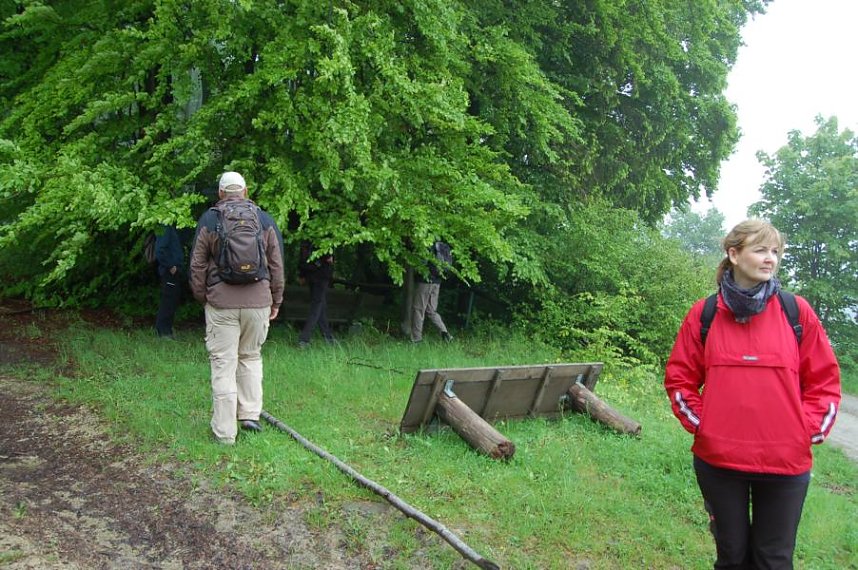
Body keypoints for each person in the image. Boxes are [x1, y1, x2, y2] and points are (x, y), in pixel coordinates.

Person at [664, 219, 841, 569]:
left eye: (775, 252)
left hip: (785, 464)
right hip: (719, 462)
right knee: (731, 557)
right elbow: (680, 380)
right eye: (760, 250)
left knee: (773, 560)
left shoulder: (796, 312)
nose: (770, 259)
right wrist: (707, 426)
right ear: (733, 254)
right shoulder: (706, 314)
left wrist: (802, 431)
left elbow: (825, 383)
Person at [189, 171, 284, 445]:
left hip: (221, 304)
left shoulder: (210, 219)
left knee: (223, 364)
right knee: (251, 357)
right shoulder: (263, 219)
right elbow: (277, 265)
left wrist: (203, 297)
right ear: (246, 190)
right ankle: (250, 415)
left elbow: (196, 264)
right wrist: (276, 300)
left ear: (220, 193)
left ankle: (225, 433)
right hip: (258, 303)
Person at [411, 240, 453, 343]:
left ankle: (416, 340)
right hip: (437, 283)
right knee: (431, 311)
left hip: (424, 282)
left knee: (418, 309)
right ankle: (445, 333)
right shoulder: (443, 246)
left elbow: (422, 263)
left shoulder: (427, 244)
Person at [297, 239, 336, 348]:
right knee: (317, 306)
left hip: (310, 275)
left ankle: (328, 337)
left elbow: (302, 258)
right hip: (321, 275)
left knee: (320, 306)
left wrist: (302, 274)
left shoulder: (307, 236)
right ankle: (304, 339)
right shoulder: (327, 236)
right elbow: (329, 258)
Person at [154, 225, 185, 339]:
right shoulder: (165, 227)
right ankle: (163, 331)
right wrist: (171, 265)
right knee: (168, 301)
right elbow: (159, 250)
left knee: (172, 300)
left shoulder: (169, 227)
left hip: (173, 270)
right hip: (169, 271)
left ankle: (167, 330)